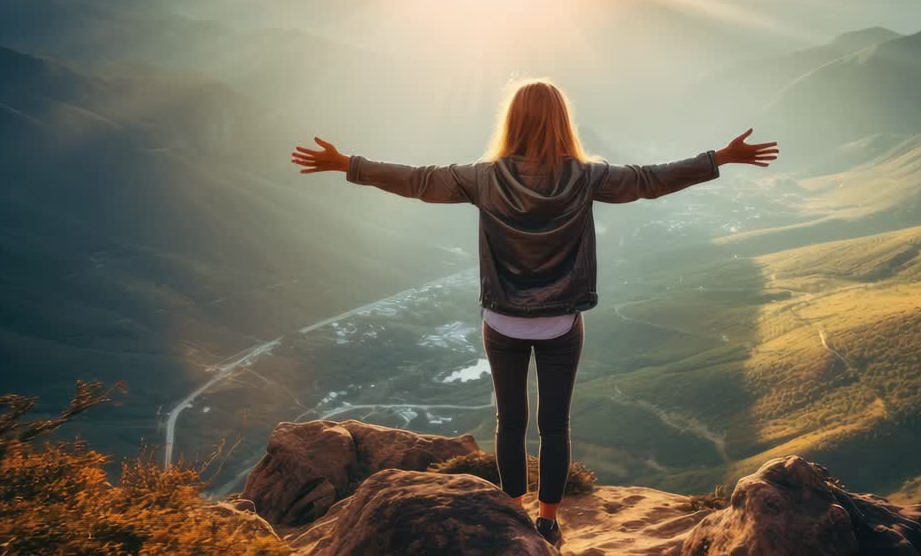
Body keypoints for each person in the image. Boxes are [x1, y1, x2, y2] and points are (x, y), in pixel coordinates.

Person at [290, 78, 779, 547]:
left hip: (501, 321)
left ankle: (512, 512)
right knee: (555, 426)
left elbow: (418, 181)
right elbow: (649, 181)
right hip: (561, 322)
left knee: (509, 422)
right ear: (562, 122)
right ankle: (547, 523)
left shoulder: (484, 178)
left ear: (512, 122)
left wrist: (347, 164)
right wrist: (720, 157)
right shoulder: (585, 177)